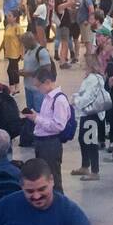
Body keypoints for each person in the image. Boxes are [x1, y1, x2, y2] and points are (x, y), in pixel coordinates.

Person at [23, 65, 72, 193]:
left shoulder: (59, 100)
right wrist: (35, 116)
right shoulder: (47, 98)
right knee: (43, 175)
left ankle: (58, 203)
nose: (38, 89)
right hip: (42, 142)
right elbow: (47, 118)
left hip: (50, 144)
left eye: (38, 85)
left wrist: (36, 119)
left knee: (53, 177)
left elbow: (58, 126)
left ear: (48, 82)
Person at [73, 56, 109, 183]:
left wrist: (75, 101)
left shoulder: (92, 79)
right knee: (83, 139)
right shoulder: (92, 78)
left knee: (90, 141)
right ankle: (85, 165)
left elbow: (87, 97)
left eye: (83, 62)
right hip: (89, 113)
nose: (81, 64)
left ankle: (94, 171)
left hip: (91, 114)